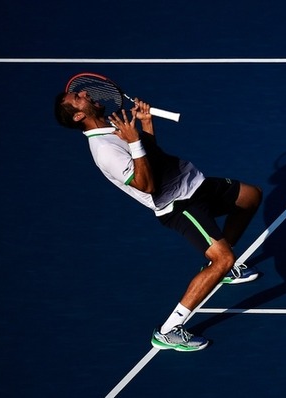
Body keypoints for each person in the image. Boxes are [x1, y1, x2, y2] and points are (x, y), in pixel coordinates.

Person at [54, 90, 262, 352]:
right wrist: (133, 142)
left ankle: (218, 266)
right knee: (225, 259)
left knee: (251, 197)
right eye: (77, 97)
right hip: (178, 204)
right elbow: (147, 185)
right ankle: (168, 331)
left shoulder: (112, 127)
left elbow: (149, 155)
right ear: (79, 116)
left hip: (192, 183)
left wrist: (145, 123)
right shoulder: (104, 150)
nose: (84, 92)